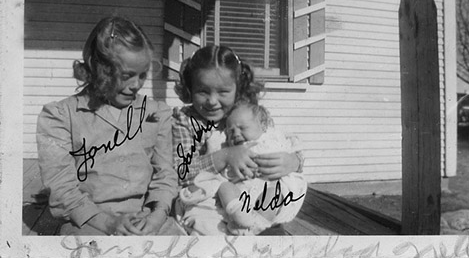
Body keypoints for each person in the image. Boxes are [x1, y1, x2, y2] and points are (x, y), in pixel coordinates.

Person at [37, 16, 182, 236]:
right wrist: (107, 223)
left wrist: (157, 215)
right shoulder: (61, 116)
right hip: (90, 222)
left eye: (142, 75)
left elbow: (165, 175)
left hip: (146, 218)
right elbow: (62, 189)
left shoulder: (155, 113)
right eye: (126, 76)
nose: (136, 85)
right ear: (100, 69)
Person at [172, 45, 305, 235]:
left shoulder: (242, 113)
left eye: (223, 92)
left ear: (238, 88)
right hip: (209, 200)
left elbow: (276, 139)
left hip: (251, 195)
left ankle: (257, 227)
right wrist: (225, 156)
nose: (212, 101)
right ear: (190, 88)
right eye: (202, 91)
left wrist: (294, 161)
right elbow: (181, 171)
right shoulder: (186, 122)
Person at [179, 101, 307, 235]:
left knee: (274, 193)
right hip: (240, 191)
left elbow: (293, 148)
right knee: (224, 187)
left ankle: (256, 226)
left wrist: (295, 159)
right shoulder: (227, 147)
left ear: (263, 126)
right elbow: (221, 170)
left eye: (242, 128)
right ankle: (239, 218)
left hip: (265, 186)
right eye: (230, 131)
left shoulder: (272, 138)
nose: (235, 134)